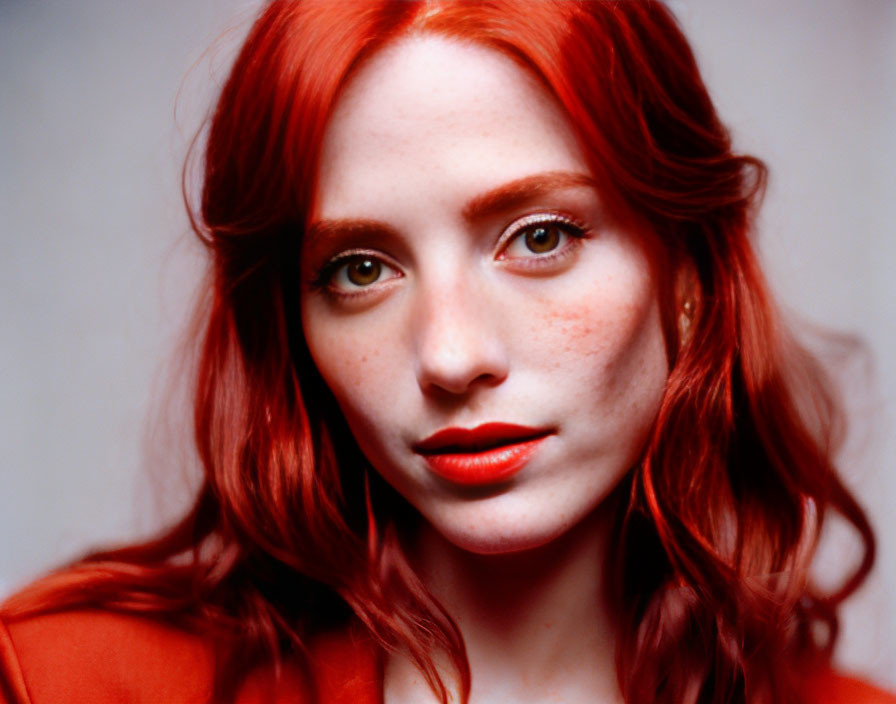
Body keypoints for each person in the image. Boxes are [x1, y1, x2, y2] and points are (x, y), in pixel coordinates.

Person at [1, 2, 892, 703]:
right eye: (360, 268)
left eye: (539, 238)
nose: (451, 355)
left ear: (689, 277)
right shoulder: (65, 680)